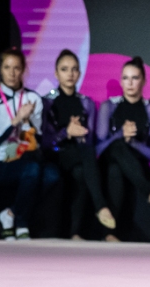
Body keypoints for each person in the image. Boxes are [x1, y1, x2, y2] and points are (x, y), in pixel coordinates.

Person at [41, 49, 116, 238]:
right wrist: (66, 132)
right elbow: (45, 141)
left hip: (79, 155)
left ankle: (75, 232)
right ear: (56, 73)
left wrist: (80, 135)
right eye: (64, 69)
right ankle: (101, 206)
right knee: (85, 155)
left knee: (82, 170)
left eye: (74, 69)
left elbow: (89, 140)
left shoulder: (86, 103)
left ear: (80, 73)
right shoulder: (47, 101)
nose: (70, 74)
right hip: (56, 154)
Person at [0, 48, 54, 238]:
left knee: (52, 176)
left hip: (25, 155)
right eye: (7, 67)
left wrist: (27, 121)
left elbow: (38, 138)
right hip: (0, 160)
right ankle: (21, 223)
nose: (12, 73)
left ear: (23, 70)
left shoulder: (33, 98)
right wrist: (15, 120)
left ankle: (10, 214)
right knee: (32, 170)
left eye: (16, 68)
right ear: (0, 69)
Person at [95, 57, 150, 242]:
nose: (129, 83)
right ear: (121, 81)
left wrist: (133, 142)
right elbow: (99, 148)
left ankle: (109, 233)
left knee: (116, 169)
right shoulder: (108, 106)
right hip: (109, 159)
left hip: (136, 166)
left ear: (143, 81)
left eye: (135, 78)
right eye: (125, 78)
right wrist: (121, 135)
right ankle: (149, 191)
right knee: (117, 151)